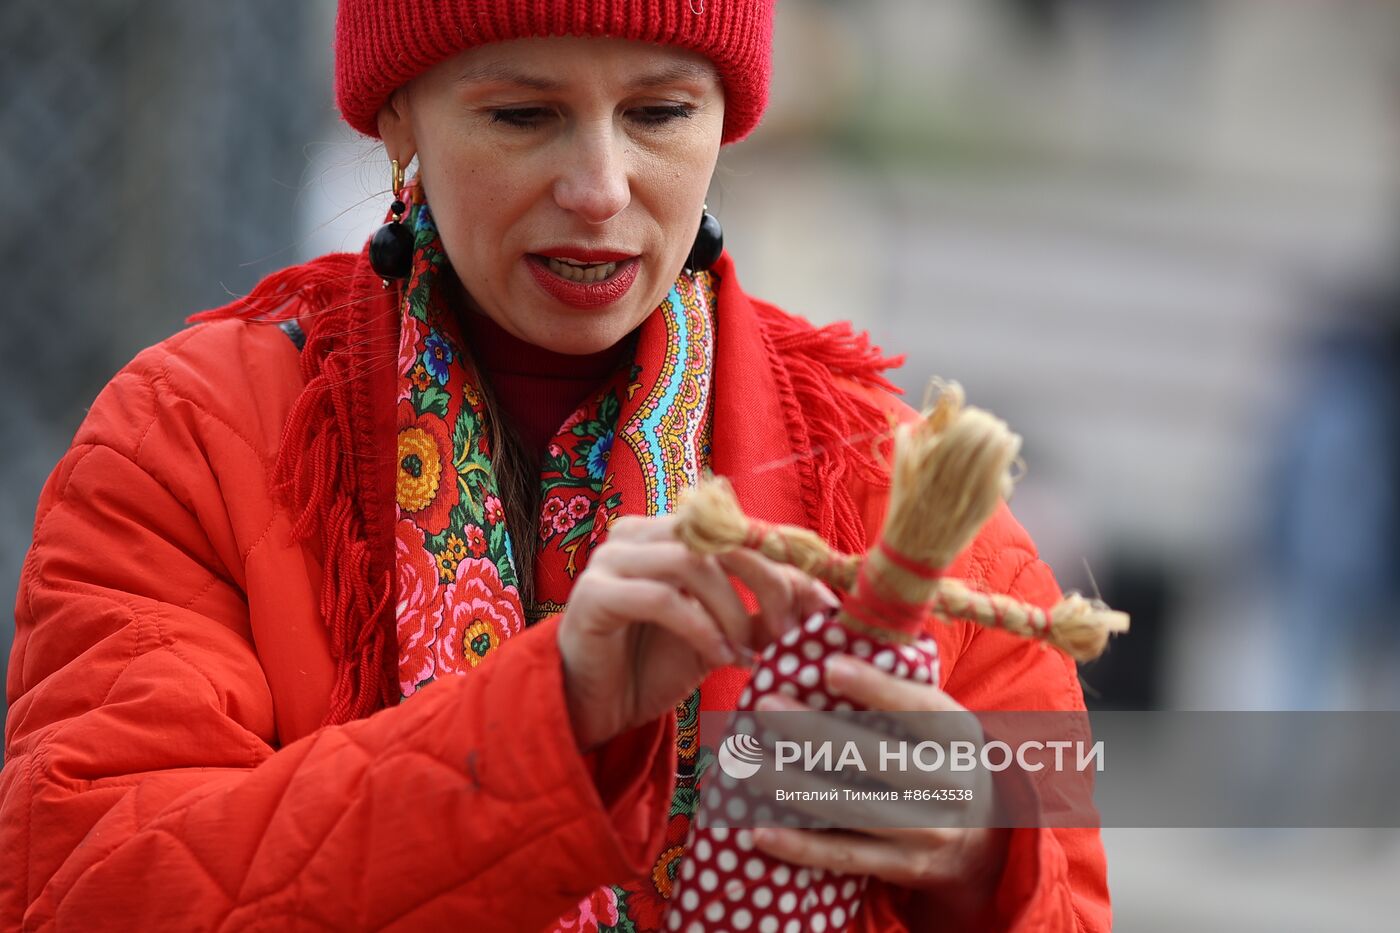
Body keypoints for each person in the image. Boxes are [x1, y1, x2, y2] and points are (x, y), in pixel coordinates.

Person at [1, 2, 1110, 930]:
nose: (599, 186)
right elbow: (87, 885)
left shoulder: (896, 491)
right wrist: (552, 721)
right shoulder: (195, 436)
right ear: (398, 118)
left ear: (728, 122)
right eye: (523, 114)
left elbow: (1064, 893)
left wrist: (976, 853)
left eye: (659, 112)